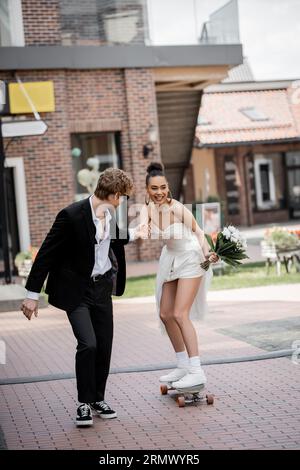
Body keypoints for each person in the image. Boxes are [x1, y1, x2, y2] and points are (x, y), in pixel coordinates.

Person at [21, 168, 134, 427]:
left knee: (104, 346)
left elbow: (120, 240)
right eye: (123, 197)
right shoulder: (71, 215)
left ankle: (97, 399)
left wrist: (145, 229)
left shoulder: (112, 215)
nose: (124, 202)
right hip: (77, 292)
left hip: (103, 288)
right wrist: (31, 295)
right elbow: (47, 253)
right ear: (115, 195)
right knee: (89, 344)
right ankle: (83, 404)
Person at [139, 162, 218, 389]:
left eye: (163, 187)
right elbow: (143, 228)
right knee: (165, 313)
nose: (159, 192)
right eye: (154, 188)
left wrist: (207, 253)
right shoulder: (147, 209)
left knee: (180, 314)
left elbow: (198, 231)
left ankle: (196, 370)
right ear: (147, 190)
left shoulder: (176, 207)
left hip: (192, 257)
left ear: (168, 187)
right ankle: (182, 365)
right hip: (171, 260)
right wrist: (140, 230)